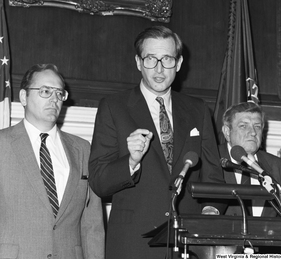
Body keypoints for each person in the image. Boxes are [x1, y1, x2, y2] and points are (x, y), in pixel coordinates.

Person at [88, 25, 225, 259]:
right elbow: (99, 182)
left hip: (188, 245)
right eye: (151, 59)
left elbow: (213, 178)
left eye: (167, 59)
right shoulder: (114, 107)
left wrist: (210, 211)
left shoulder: (198, 110)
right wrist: (131, 162)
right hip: (134, 244)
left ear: (179, 64)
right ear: (138, 62)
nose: (159, 68)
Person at [0, 64, 105, 259]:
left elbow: (92, 224)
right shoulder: (2, 145)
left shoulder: (82, 149)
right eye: (45, 91)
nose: (54, 99)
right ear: (24, 97)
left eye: (59, 93)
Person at [219, 101, 281, 217]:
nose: (253, 133)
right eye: (243, 126)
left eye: (257, 126)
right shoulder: (212, 158)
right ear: (227, 132)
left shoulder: (276, 165)